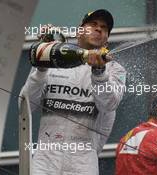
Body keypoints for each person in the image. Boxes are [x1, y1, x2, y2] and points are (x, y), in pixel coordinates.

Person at [20, 9, 126, 175]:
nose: (98, 29)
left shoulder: (114, 69)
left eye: (104, 28)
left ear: (106, 40)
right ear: (79, 31)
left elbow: (109, 105)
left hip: (82, 165)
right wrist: (41, 65)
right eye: (93, 24)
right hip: (44, 163)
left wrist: (99, 72)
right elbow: (26, 104)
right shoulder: (54, 59)